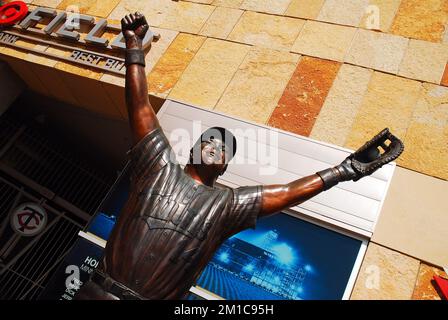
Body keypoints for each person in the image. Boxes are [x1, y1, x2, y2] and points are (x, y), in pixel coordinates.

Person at [75, 13, 404, 300]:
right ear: (192, 149)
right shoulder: (159, 166)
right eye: (211, 140)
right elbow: (140, 106)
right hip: (93, 292)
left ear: (224, 166)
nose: (216, 147)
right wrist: (134, 48)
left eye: (223, 150)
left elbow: (287, 193)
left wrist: (343, 170)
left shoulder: (226, 205)